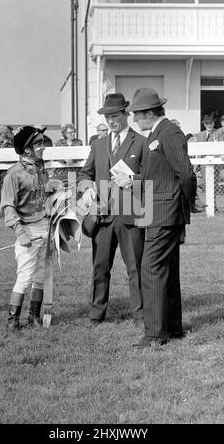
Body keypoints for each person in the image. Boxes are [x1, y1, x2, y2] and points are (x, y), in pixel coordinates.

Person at [113, 88, 197, 347]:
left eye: (137, 114)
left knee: (151, 270)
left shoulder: (168, 132)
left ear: (150, 113)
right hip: (161, 211)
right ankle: (171, 328)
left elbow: (186, 174)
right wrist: (132, 181)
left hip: (165, 213)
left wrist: (184, 206)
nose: (135, 120)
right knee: (167, 272)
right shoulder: (157, 133)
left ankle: (155, 334)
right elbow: (159, 177)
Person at [78, 93, 146, 327]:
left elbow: (150, 176)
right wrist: (87, 189)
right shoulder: (98, 144)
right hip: (102, 216)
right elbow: (85, 174)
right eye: (108, 117)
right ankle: (96, 315)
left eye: (115, 116)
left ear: (126, 114)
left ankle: (141, 316)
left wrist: (133, 180)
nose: (111, 121)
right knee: (100, 267)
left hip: (132, 213)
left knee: (136, 268)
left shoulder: (142, 142)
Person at [0, 126, 53, 331]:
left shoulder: (41, 168)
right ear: (27, 149)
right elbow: (7, 206)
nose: (43, 147)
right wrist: (19, 232)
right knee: (25, 276)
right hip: (27, 231)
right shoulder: (14, 174)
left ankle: (34, 317)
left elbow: (45, 196)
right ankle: (13, 322)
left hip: (46, 227)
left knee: (41, 275)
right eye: (39, 144)